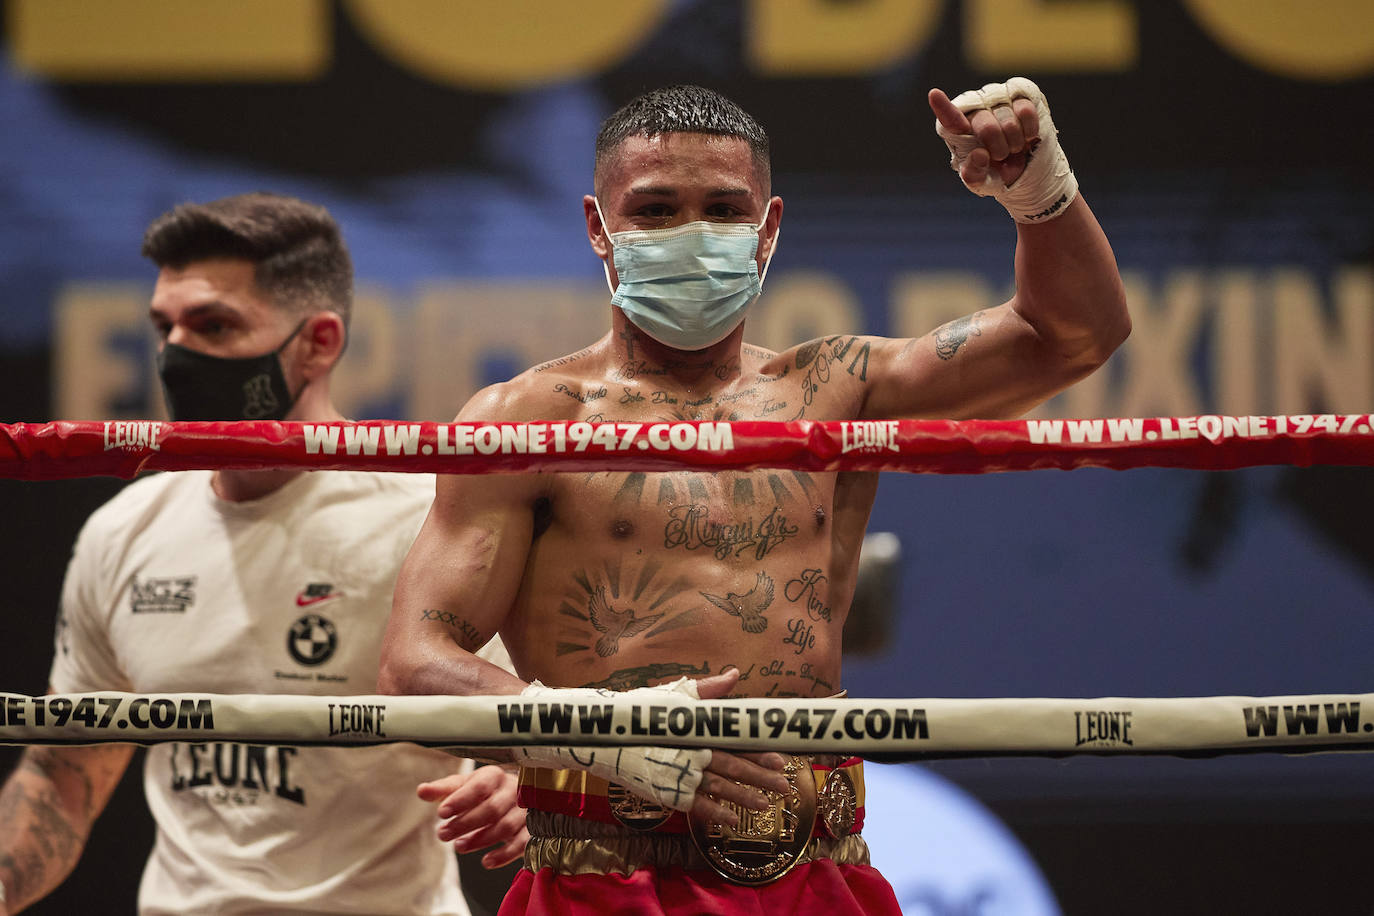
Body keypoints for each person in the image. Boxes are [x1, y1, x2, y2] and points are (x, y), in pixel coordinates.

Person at [379, 78, 1130, 914]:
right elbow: (414, 667)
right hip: (604, 874)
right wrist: (604, 735)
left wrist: (1037, 188)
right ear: (599, 227)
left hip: (816, 865)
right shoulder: (528, 421)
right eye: (656, 210)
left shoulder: (837, 388)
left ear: (768, 229)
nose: (691, 236)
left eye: (723, 211)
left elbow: (1073, 335)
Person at [0, 192, 525, 916]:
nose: (176, 355)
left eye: (213, 325)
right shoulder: (123, 532)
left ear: (319, 342)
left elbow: (534, 735)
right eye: (165, 326)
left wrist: (528, 786)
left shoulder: (423, 525)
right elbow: (64, 775)